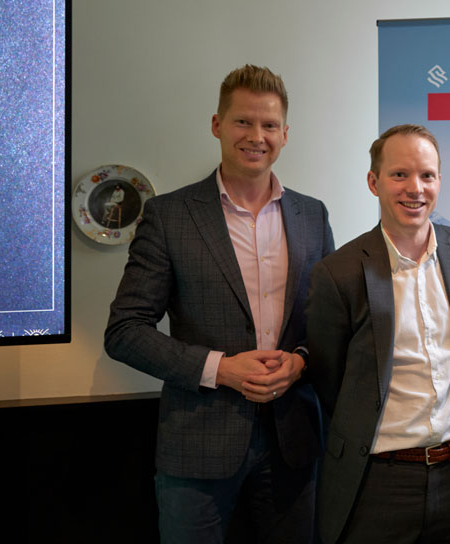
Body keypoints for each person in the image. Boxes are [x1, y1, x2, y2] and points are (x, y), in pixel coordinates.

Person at [105, 64, 334, 544]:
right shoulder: (169, 215)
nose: (256, 136)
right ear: (217, 125)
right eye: (243, 121)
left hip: (294, 440)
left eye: (269, 125)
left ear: (285, 134)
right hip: (197, 444)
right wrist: (221, 369)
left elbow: (328, 325)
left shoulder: (312, 214)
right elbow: (125, 331)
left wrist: (300, 362)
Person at [306, 124, 450, 544]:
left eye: (427, 175)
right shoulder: (337, 272)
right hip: (377, 482)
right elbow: (329, 378)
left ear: (439, 181)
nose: (415, 188)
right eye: (399, 174)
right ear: (373, 182)